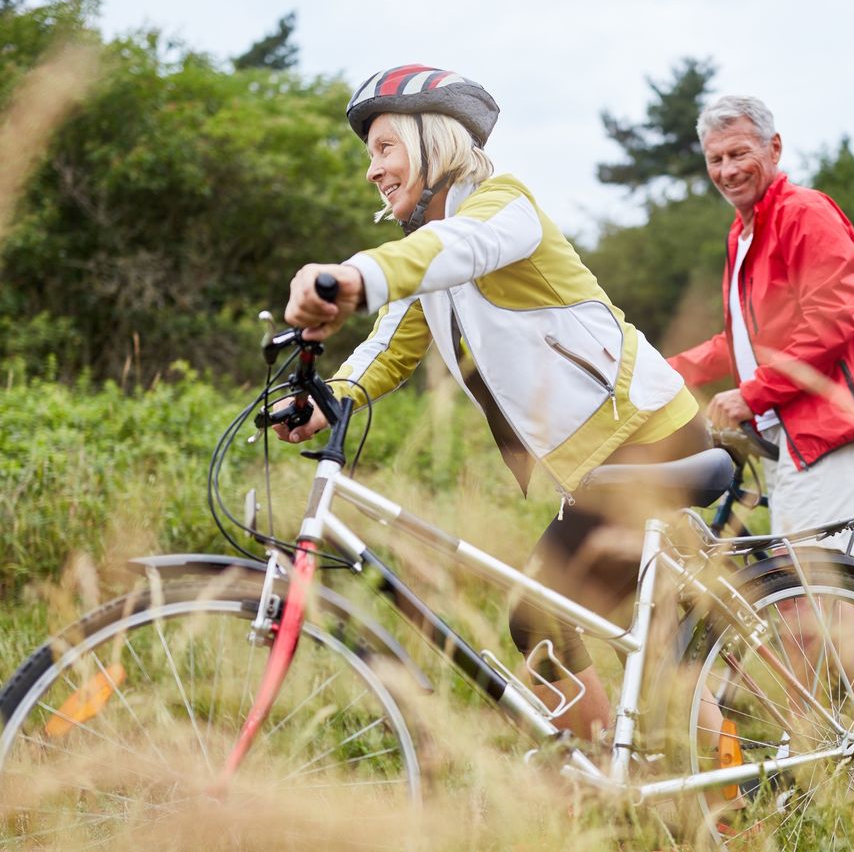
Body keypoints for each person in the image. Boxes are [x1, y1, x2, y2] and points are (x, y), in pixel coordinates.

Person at [278, 64, 708, 741]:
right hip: (598, 464)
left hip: (648, 436)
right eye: (371, 157)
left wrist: (355, 274)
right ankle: (659, 789)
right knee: (649, 643)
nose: (373, 171)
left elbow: (457, 247)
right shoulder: (431, 259)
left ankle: (618, 797)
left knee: (542, 621)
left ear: (432, 143)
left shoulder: (504, 208)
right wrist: (330, 399)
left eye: (385, 148)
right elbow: (390, 348)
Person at [668, 95, 854, 756]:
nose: (727, 169)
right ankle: (809, 743)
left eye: (740, 153)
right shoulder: (744, 231)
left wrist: (753, 394)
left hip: (829, 427)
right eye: (715, 159)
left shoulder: (805, 214)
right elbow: (742, 339)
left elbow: (831, 322)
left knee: (813, 605)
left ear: (775, 150)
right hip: (791, 434)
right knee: (802, 603)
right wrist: (668, 372)